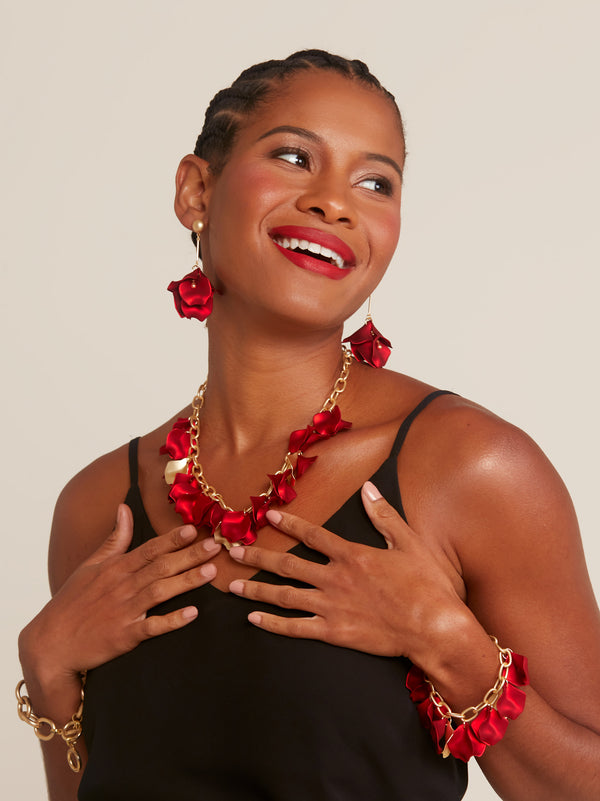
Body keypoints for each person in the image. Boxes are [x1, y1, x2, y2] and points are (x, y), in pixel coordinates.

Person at [17, 50, 600, 801]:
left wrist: (451, 646)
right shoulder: (97, 507)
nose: (335, 203)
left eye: (376, 183)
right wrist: (49, 675)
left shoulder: (469, 468)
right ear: (196, 190)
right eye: (295, 157)